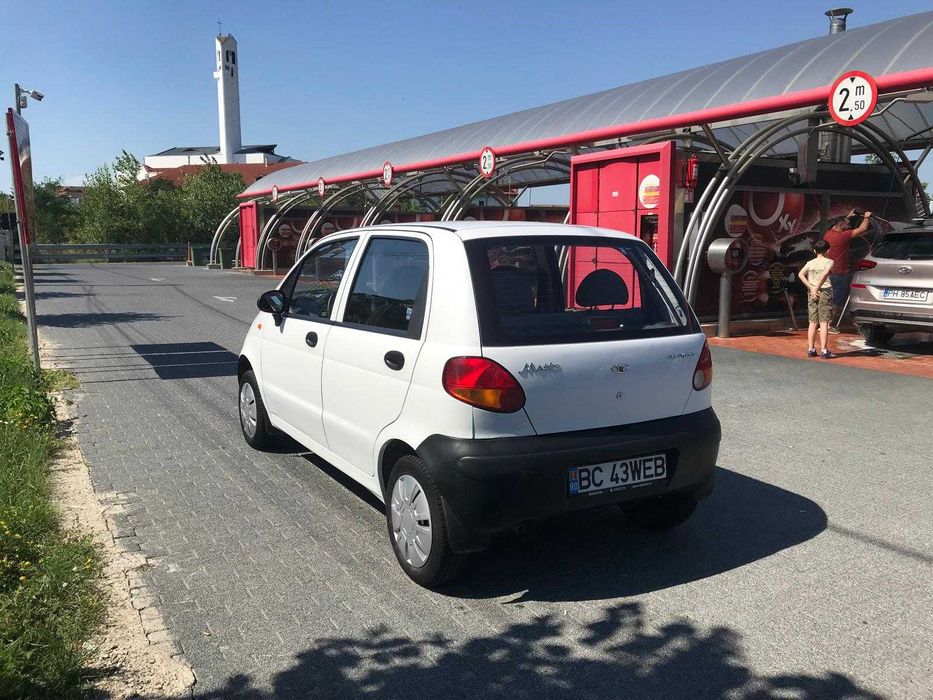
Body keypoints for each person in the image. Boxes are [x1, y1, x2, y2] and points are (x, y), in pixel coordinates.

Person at [824, 209, 872, 332]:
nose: (849, 226)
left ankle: (824, 324)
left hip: (829, 272)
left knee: (829, 299)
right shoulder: (843, 236)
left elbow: (841, 223)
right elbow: (862, 229)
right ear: (841, 226)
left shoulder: (828, 233)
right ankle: (829, 325)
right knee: (837, 300)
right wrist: (866, 217)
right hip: (839, 273)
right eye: (847, 224)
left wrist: (848, 217)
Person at [798, 240, 835, 359]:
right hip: (824, 291)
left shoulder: (810, 263)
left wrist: (811, 288)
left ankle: (811, 348)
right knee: (824, 322)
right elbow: (825, 274)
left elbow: (800, 274)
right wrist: (817, 288)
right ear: (828, 250)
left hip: (812, 292)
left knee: (812, 321)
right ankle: (824, 350)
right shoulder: (829, 261)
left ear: (814, 251)